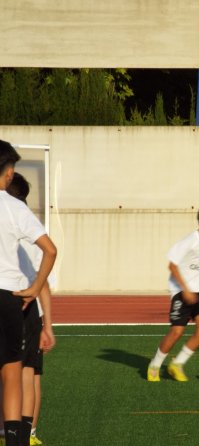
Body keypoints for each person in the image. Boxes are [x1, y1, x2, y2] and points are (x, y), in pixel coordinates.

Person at [0, 140, 57, 446]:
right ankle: (17, 439)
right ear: (8, 173)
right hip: (10, 297)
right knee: (14, 372)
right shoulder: (13, 207)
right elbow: (50, 250)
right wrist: (35, 288)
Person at [147, 202, 199, 382]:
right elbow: (172, 265)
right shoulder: (189, 241)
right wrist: (185, 289)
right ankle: (154, 365)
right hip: (182, 292)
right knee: (177, 332)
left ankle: (177, 364)